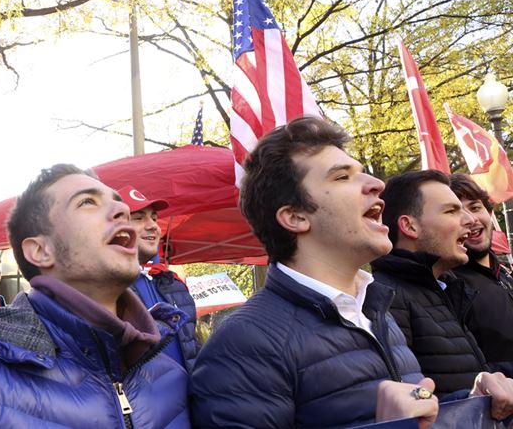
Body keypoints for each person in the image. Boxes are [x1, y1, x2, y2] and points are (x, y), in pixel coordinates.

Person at [191, 117, 436, 427]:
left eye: (361, 172)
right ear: (295, 217)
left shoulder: (375, 311)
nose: (377, 184)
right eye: (342, 177)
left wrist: (474, 402)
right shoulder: (245, 343)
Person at [0, 164, 190, 428]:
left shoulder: (171, 375)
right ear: (40, 251)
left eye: (117, 201)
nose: (122, 209)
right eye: (87, 202)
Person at [371, 170, 507, 398]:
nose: (469, 220)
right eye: (451, 211)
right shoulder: (385, 299)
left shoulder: (446, 290)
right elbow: (408, 403)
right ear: (410, 226)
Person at [118, 185, 199, 372]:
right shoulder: (104, 289)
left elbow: (191, 349)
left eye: (154, 218)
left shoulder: (174, 284)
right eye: (138, 218)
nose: (152, 225)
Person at [449, 173, 513, 377]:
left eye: (475, 207)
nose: (470, 219)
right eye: (455, 212)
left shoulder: (505, 275)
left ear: (489, 212)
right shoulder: (448, 286)